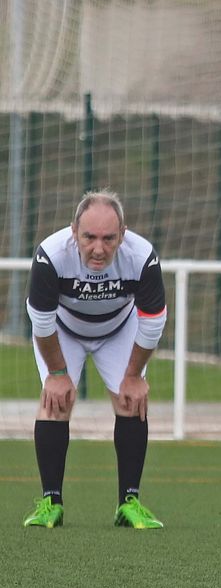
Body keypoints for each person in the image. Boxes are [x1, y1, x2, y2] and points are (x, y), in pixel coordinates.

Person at [23, 191, 167, 529]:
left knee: (130, 400)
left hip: (119, 329)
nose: (98, 249)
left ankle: (129, 503)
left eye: (108, 238)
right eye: (89, 237)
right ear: (74, 231)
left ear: (123, 234)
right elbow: (41, 322)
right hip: (63, 330)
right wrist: (57, 372)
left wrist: (133, 376)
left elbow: (152, 321)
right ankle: (51, 503)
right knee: (55, 401)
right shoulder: (51, 255)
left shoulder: (142, 257)